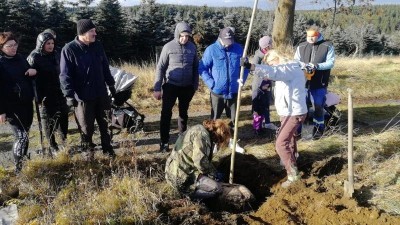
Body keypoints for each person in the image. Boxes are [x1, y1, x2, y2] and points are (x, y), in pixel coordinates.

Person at [241, 49, 307, 188]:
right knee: (289, 141)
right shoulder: (286, 69)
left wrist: (251, 67)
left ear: (279, 58)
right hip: (288, 112)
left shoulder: (290, 67)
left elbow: (275, 72)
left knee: (280, 143)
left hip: (294, 112)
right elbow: (276, 75)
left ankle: (293, 175)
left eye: (272, 63)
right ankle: (292, 163)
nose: (271, 66)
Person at [59, 19, 116, 157]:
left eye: (95, 30)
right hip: (83, 98)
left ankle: (108, 150)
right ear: (82, 33)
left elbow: (105, 67)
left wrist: (111, 85)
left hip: (101, 93)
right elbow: (65, 75)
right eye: (92, 31)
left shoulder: (97, 46)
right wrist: (68, 95)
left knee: (107, 124)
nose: (95, 33)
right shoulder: (69, 49)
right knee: (86, 128)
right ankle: (88, 153)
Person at [199, 27, 249, 153]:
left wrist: (242, 79)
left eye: (231, 40)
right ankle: (215, 143)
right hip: (217, 92)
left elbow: (246, 66)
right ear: (220, 38)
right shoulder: (211, 50)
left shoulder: (238, 49)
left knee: (233, 118)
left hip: (233, 90)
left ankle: (232, 142)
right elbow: (202, 68)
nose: (229, 43)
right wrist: (211, 83)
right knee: (215, 119)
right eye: (226, 40)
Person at [153, 21, 199, 152]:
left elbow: (196, 67)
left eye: (187, 36)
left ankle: (182, 139)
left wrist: (195, 84)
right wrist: (157, 88)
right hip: (170, 86)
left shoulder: (192, 47)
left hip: (187, 87)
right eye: (182, 36)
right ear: (177, 34)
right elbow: (160, 68)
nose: (184, 39)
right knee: (166, 114)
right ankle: (164, 142)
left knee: (183, 114)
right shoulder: (168, 47)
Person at [165, 119, 231, 199]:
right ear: (218, 134)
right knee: (217, 189)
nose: (218, 143)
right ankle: (190, 195)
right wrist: (214, 174)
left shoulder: (199, 129)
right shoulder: (202, 135)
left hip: (175, 170)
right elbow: (200, 162)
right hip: (181, 177)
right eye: (220, 140)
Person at [0, 32, 37, 172]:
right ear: (2, 47)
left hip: (26, 103)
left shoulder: (21, 58)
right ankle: (18, 168)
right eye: (9, 46)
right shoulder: (1, 63)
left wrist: (33, 71)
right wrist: (1, 111)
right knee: (20, 136)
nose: (13, 48)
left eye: (15, 45)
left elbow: (28, 73)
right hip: (11, 107)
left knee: (25, 135)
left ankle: (23, 161)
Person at [27, 32, 69, 155]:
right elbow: (28, 76)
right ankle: (52, 145)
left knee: (63, 117)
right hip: (44, 94)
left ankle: (64, 142)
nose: (50, 46)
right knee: (48, 121)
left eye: (52, 43)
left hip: (59, 91)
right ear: (41, 44)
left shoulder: (57, 53)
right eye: (47, 43)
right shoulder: (34, 57)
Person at [294, 25, 335, 139]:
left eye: (313, 36)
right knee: (300, 106)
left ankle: (319, 129)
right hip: (302, 82)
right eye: (308, 36)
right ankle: (297, 130)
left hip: (319, 82)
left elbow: (331, 63)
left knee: (318, 106)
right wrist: (303, 66)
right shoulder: (301, 46)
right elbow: (296, 61)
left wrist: (316, 66)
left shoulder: (327, 46)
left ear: (318, 34)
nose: (310, 38)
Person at [251, 36, 278, 134]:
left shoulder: (272, 54)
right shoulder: (258, 56)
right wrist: (263, 81)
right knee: (257, 106)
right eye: (270, 45)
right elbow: (253, 70)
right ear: (266, 46)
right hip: (259, 86)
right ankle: (257, 126)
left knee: (266, 104)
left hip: (268, 84)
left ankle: (267, 122)